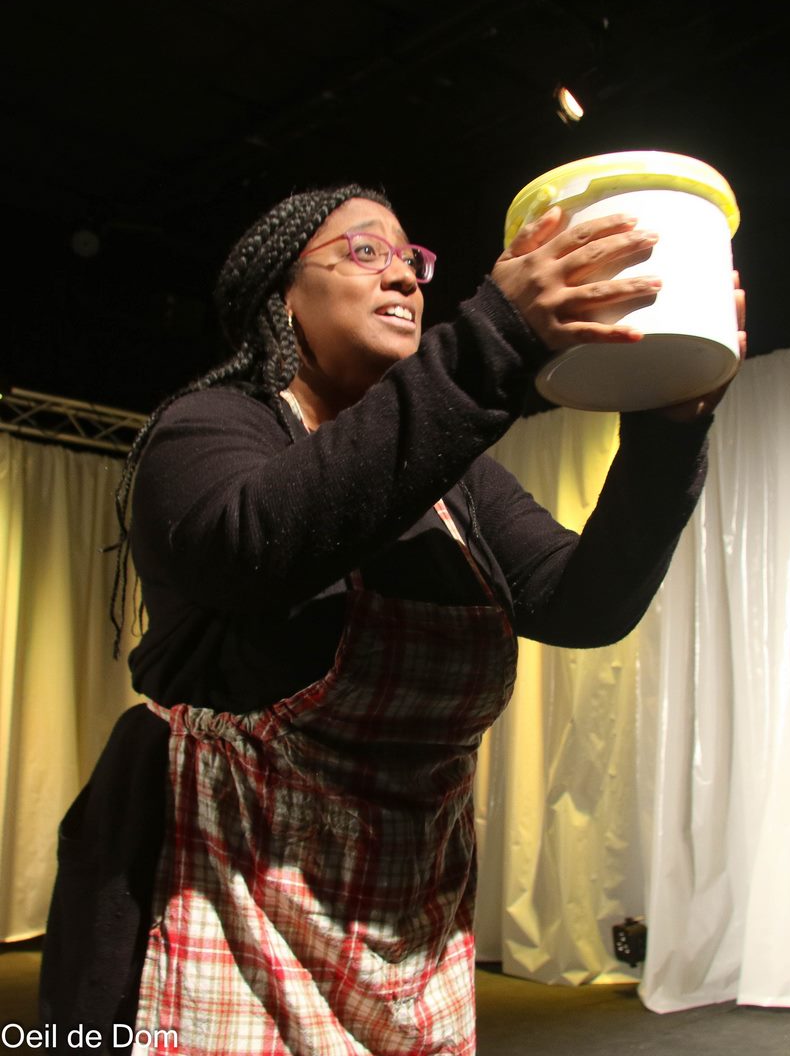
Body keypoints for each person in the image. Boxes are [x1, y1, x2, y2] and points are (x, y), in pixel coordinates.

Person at [39, 183, 745, 1055]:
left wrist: (668, 428)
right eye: (365, 252)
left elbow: (583, 604)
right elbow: (253, 548)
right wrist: (496, 337)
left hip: (408, 908)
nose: (405, 278)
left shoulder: (456, 482)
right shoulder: (208, 427)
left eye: (412, 260)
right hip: (225, 893)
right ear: (283, 299)